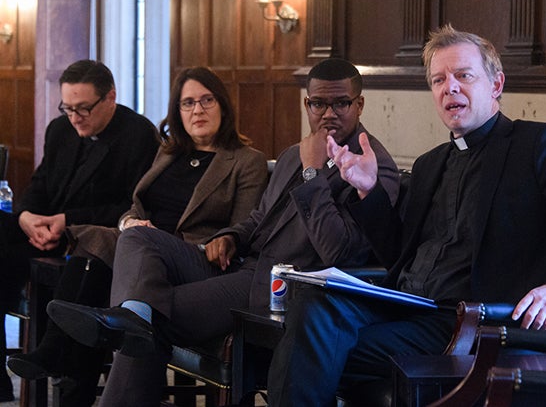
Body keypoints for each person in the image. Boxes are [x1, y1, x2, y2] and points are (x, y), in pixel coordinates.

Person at [265, 25, 546, 406]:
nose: (449, 87)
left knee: (305, 349)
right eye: (438, 79)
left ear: (496, 84)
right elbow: (399, 254)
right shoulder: (430, 164)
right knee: (311, 304)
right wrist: (368, 190)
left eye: (463, 76)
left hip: (473, 322)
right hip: (408, 308)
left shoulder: (536, 145)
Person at [44, 57, 400, 406]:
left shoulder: (373, 164)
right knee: (137, 240)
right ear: (307, 104)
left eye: (341, 103)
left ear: (360, 104)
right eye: (318, 103)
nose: (328, 113)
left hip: (279, 285)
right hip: (241, 263)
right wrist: (230, 236)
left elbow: (338, 251)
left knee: (147, 324)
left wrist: (313, 175)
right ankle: (133, 311)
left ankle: (131, 317)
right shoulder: (295, 153)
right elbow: (258, 218)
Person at [7, 66, 269, 406]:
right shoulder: (170, 152)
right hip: (144, 254)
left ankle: (67, 349)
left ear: (223, 106)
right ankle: (117, 328)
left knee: (117, 247)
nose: (198, 110)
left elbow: (240, 231)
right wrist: (130, 223)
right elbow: (136, 205)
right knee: (95, 243)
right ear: (177, 111)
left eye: (207, 100)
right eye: (187, 103)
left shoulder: (246, 161)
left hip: (197, 260)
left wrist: (146, 236)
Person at [0, 59, 159, 402]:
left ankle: (65, 373)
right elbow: (41, 184)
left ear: (111, 97)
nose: (74, 118)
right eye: (68, 108)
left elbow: (130, 206)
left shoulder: (138, 135)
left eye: (83, 109)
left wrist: (67, 221)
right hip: (47, 231)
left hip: (93, 238)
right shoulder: (60, 129)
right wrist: (27, 215)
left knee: (89, 259)